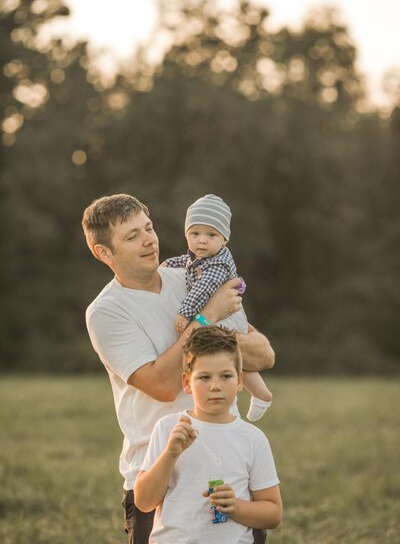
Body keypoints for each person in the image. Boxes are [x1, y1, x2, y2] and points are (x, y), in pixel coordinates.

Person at [81, 194, 276, 544]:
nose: (149, 240)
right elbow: (163, 384)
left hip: (229, 468)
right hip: (159, 477)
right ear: (103, 253)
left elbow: (263, 356)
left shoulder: (188, 275)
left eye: (149, 227)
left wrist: (212, 320)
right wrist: (207, 318)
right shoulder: (106, 312)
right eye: (131, 236)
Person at [134, 326, 282, 544]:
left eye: (225, 376)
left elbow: (273, 514)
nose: (215, 386)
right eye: (204, 377)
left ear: (240, 381)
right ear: (186, 383)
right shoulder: (168, 428)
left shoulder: (252, 438)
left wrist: (237, 507)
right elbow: (144, 502)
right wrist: (171, 454)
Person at [164, 194, 272, 422]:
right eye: (195, 234)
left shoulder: (218, 264)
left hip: (227, 313)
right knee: (228, 353)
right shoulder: (199, 255)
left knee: (229, 352)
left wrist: (184, 312)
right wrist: (165, 265)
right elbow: (185, 263)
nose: (201, 241)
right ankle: (261, 393)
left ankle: (261, 393)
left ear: (224, 239)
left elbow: (203, 288)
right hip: (220, 310)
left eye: (211, 235)